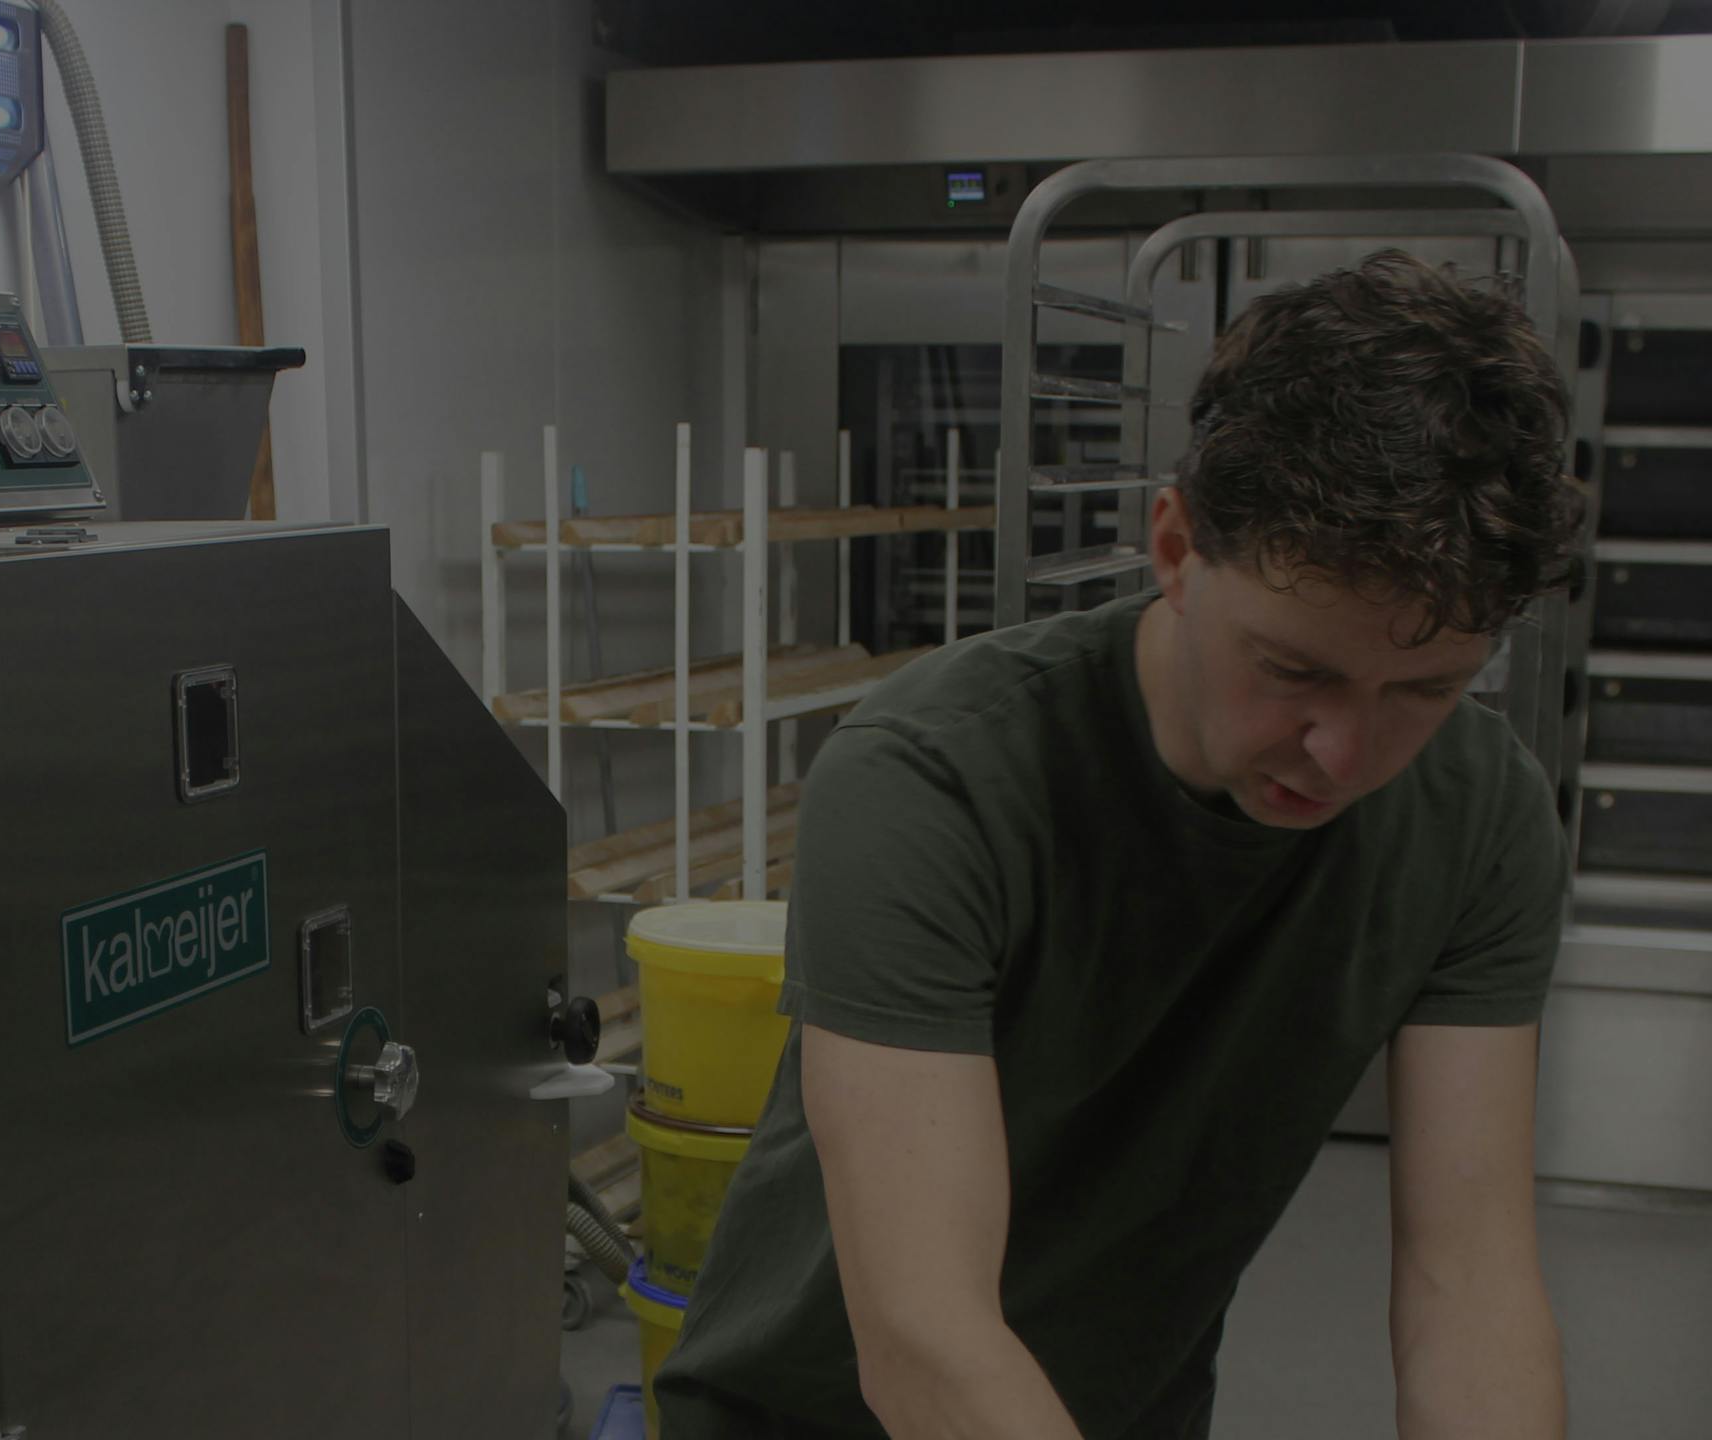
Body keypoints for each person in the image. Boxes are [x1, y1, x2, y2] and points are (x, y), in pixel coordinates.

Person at [655, 251, 1583, 1440]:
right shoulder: (934, 777)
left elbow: (1471, 1294)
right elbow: (926, 1337)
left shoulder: (1480, 821)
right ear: (1176, 548)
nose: (1345, 754)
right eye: (1294, 670)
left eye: (1425, 690)